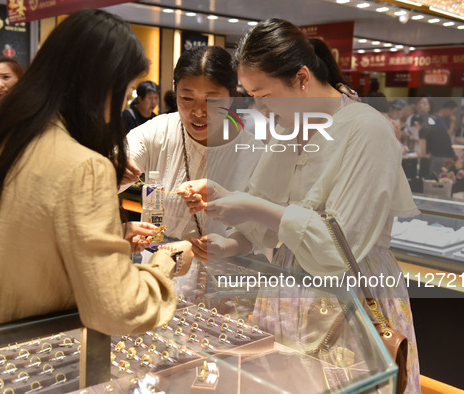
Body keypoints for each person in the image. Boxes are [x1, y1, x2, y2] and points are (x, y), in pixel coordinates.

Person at [178, 19, 421, 393]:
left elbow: (339, 247)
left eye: (264, 94)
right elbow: (266, 213)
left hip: (349, 296)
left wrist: (250, 207)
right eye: (251, 96)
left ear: (303, 79)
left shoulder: (367, 130)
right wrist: (230, 240)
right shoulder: (289, 126)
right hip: (289, 292)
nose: (259, 107)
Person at [0, 9, 193, 339]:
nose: (123, 106)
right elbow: (119, 309)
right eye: (127, 90)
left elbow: (17, 238)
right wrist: (166, 262)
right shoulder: (84, 166)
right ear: (102, 86)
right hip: (20, 353)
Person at [121, 46, 263, 258]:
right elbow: (122, 156)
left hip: (218, 279)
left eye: (211, 100)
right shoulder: (158, 130)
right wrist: (118, 168)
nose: (198, 112)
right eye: (187, 99)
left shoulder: (255, 154)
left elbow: (258, 231)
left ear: (232, 96)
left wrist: (230, 245)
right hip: (157, 275)